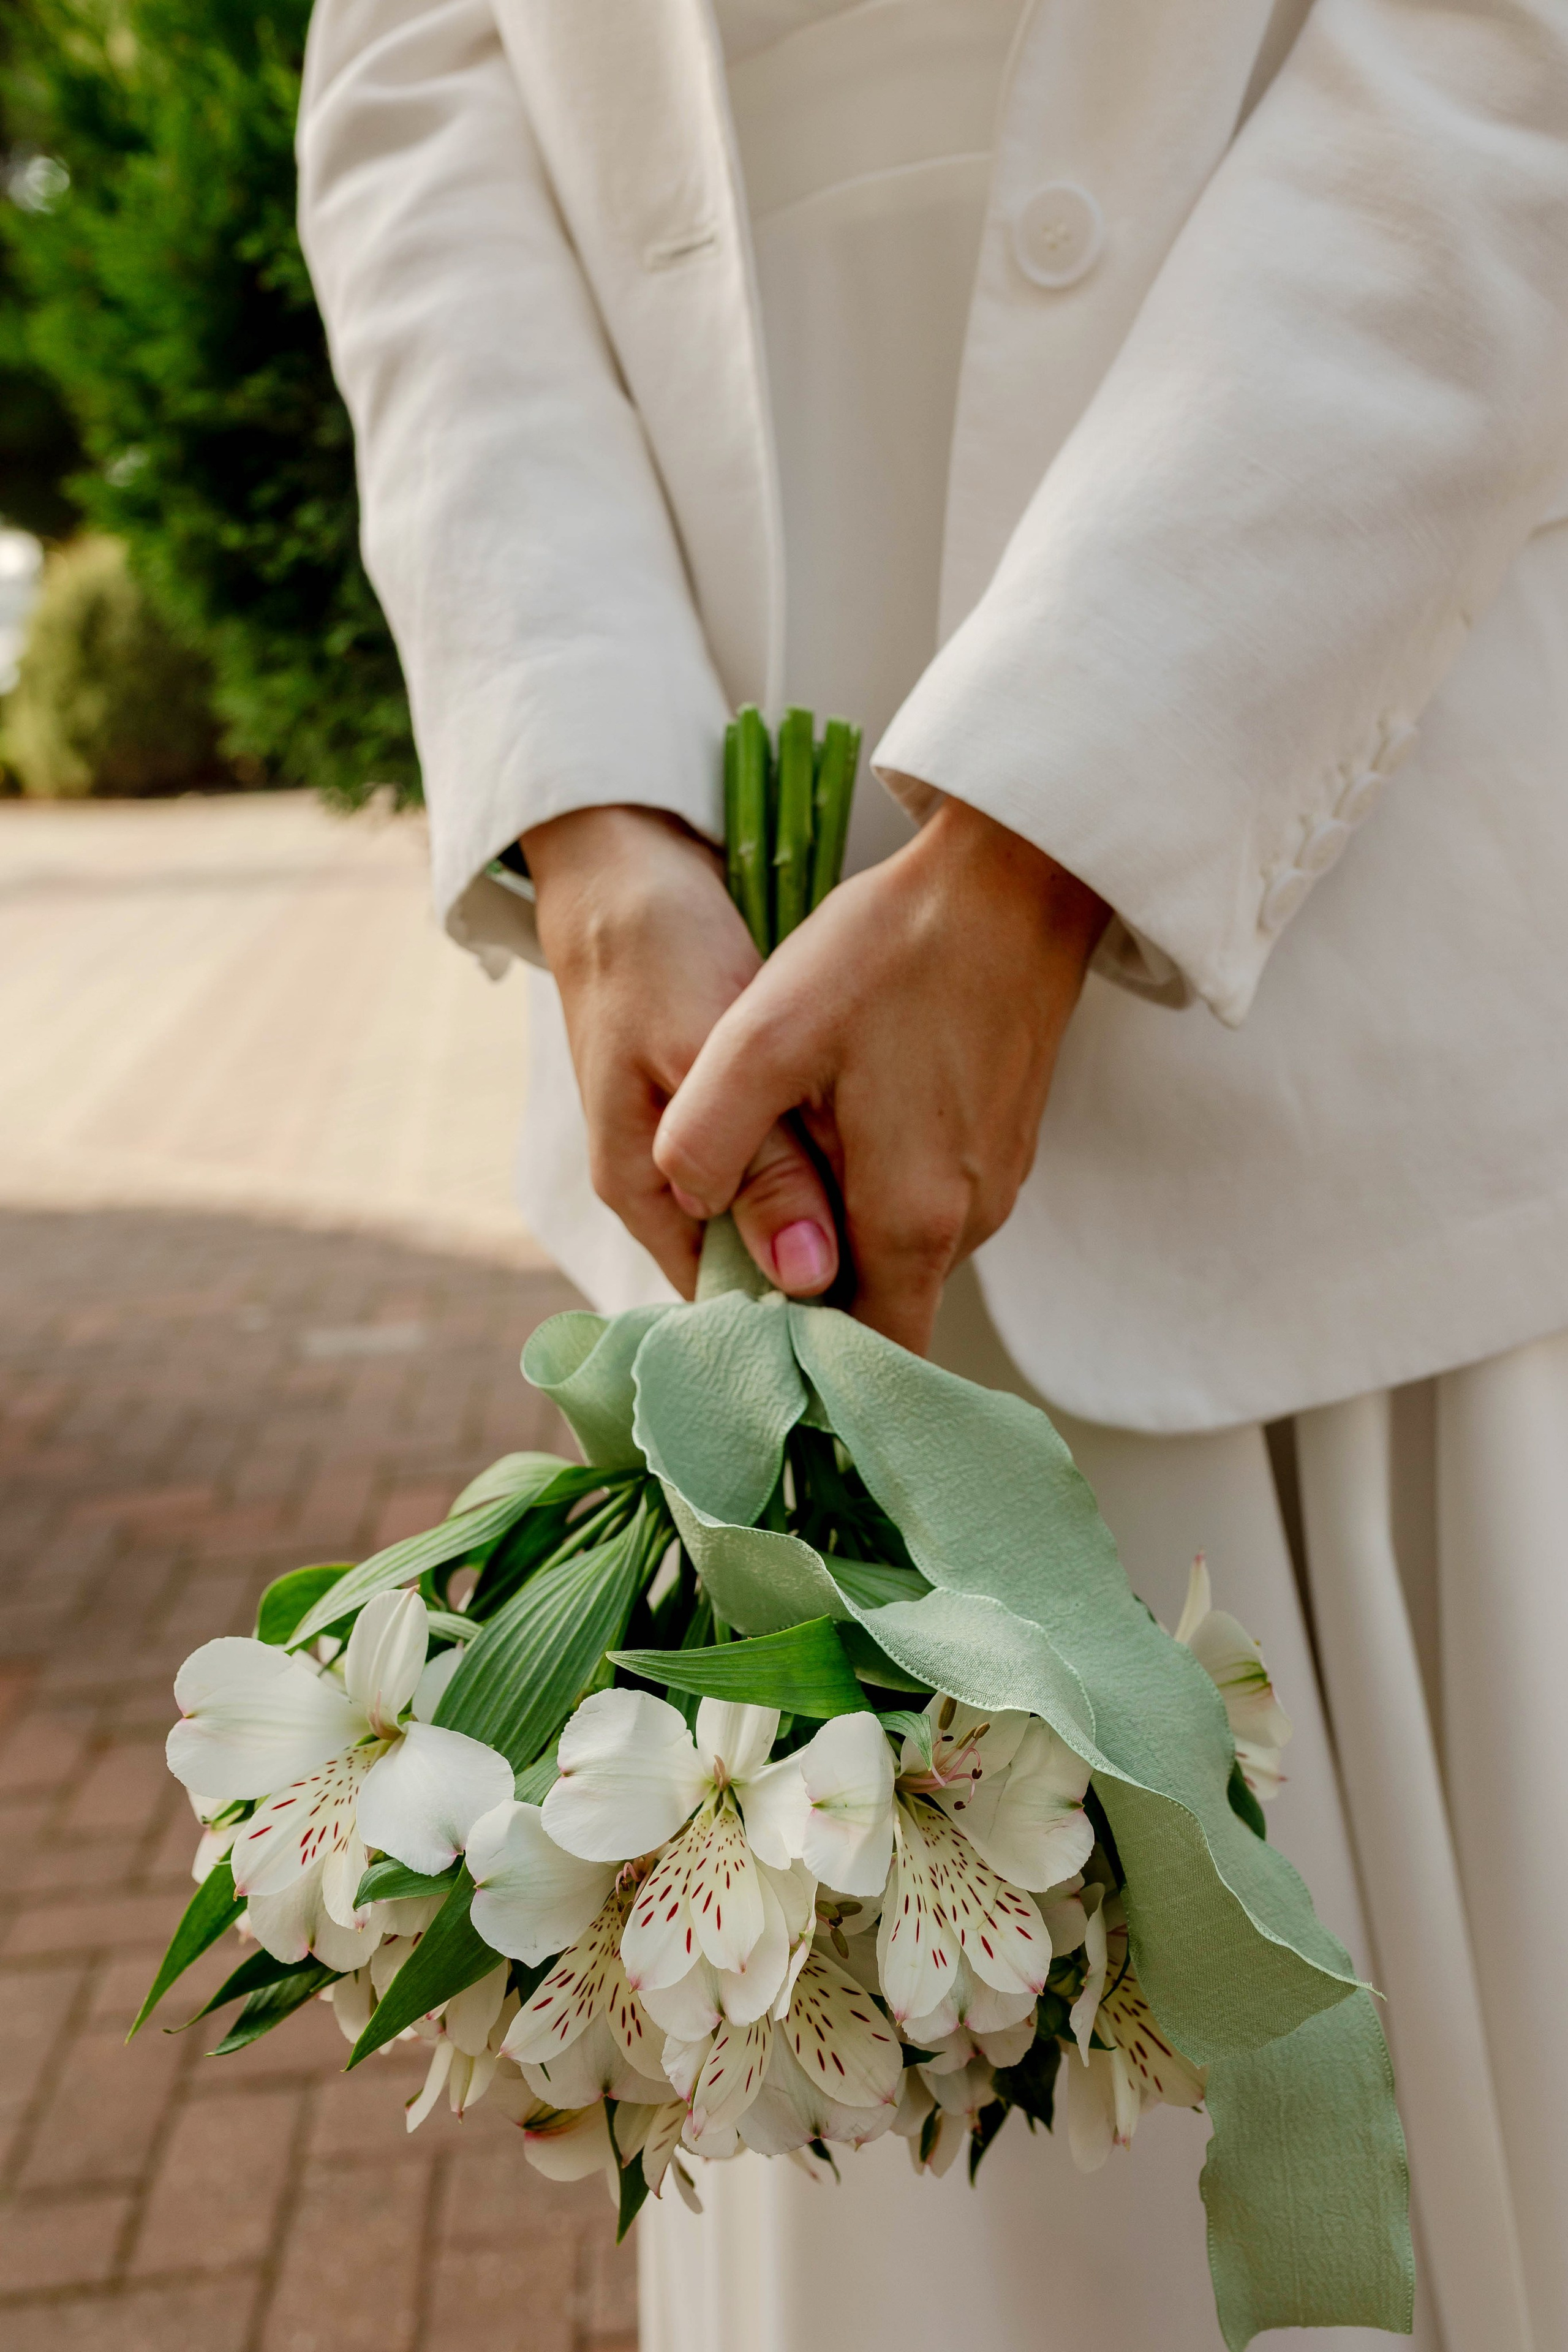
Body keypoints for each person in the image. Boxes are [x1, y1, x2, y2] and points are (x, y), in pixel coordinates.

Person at [296, 2, 1568, 2344]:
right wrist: (588, 803)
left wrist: (1053, 840)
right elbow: (412, 72)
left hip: (1340, 922)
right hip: (714, 894)